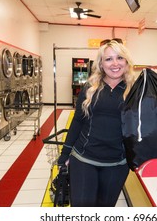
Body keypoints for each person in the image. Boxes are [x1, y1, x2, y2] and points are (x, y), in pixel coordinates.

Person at [57, 38, 136, 207]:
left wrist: (156, 78)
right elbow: (78, 121)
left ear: (126, 61)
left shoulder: (135, 89)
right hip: (84, 159)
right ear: (101, 64)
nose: (115, 63)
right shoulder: (90, 87)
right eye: (108, 59)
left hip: (117, 162)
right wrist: (65, 154)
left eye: (119, 58)